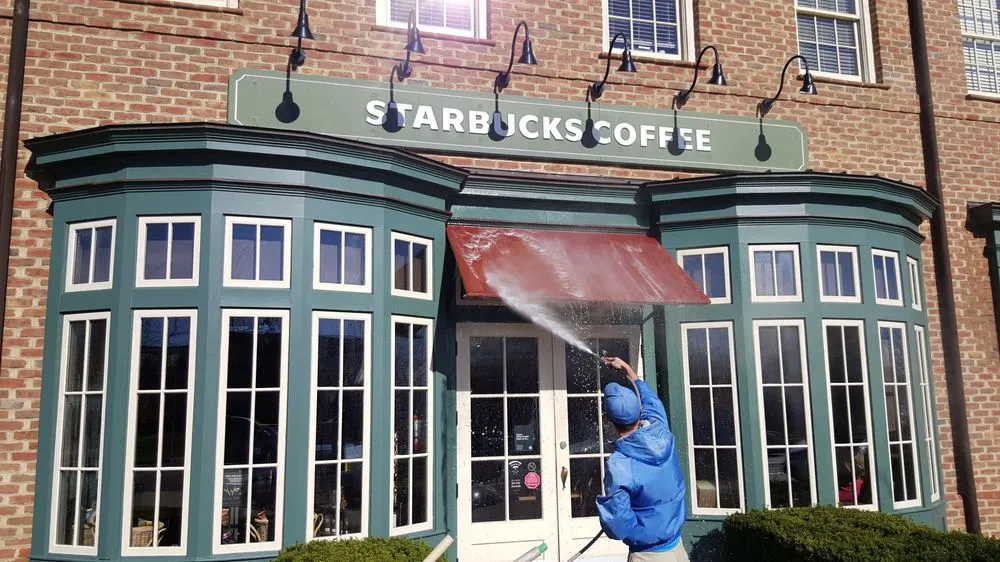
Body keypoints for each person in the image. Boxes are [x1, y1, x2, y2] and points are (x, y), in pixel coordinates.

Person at [596, 356, 688, 561]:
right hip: (678, 549)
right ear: (639, 410)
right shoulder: (660, 429)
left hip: (648, 555)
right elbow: (650, 399)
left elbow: (618, 525)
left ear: (608, 420)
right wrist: (627, 369)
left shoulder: (619, 465)